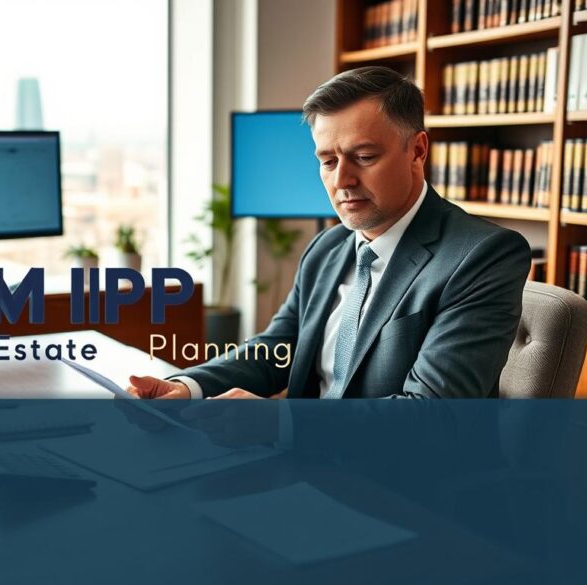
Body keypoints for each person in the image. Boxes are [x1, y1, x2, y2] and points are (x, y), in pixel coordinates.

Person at [129, 66, 530, 401]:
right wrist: (187, 386)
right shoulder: (328, 247)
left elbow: (431, 414)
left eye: (364, 157)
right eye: (327, 160)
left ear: (418, 151)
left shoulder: (484, 255)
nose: (342, 180)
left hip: (405, 485)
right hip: (299, 466)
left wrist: (279, 425)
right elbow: (276, 351)